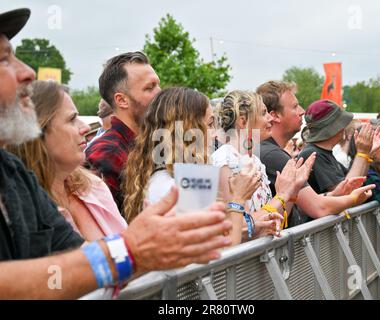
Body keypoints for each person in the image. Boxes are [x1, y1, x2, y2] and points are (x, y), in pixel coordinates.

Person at [0, 7, 232, 299]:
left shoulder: (12, 171)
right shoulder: (108, 153)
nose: (27, 72)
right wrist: (131, 251)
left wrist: (149, 250)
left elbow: (74, 257)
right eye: (4, 58)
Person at [123, 87, 260, 246]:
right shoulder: (175, 185)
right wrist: (238, 198)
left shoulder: (167, 177)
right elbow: (222, 251)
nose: (215, 134)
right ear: (190, 130)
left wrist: (253, 230)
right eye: (209, 124)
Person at [6, 81, 127, 241]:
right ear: (37, 134)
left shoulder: (93, 186)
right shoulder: (19, 210)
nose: (85, 127)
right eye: (72, 119)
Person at [256, 81, 376, 226]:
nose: (302, 111)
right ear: (274, 115)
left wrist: (332, 195)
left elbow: (302, 205)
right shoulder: (273, 155)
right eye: (294, 106)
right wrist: (353, 198)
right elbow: (319, 208)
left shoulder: (269, 151)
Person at [212, 90, 316, 237]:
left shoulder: (255, 160)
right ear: (242, 121)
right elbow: (241, 226)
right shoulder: (225, 161)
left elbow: (271, 221)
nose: (270, 118)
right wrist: (281, 195)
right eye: (263, 113)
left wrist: (292, 191)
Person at [85, 51, 161, 211]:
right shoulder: (106, 153)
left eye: (158, 85)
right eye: (149, 88)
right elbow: (108, 227)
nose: (159, 93)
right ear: (122, 100)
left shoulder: (150, 142)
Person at [298, 99, 380, 195]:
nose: (344, 127)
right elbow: (345, 191)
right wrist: (362, 152)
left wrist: (368, 153)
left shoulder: (322, 152)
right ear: (333, 128)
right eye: (341, 123)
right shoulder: (313, 154)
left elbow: (356, 182)